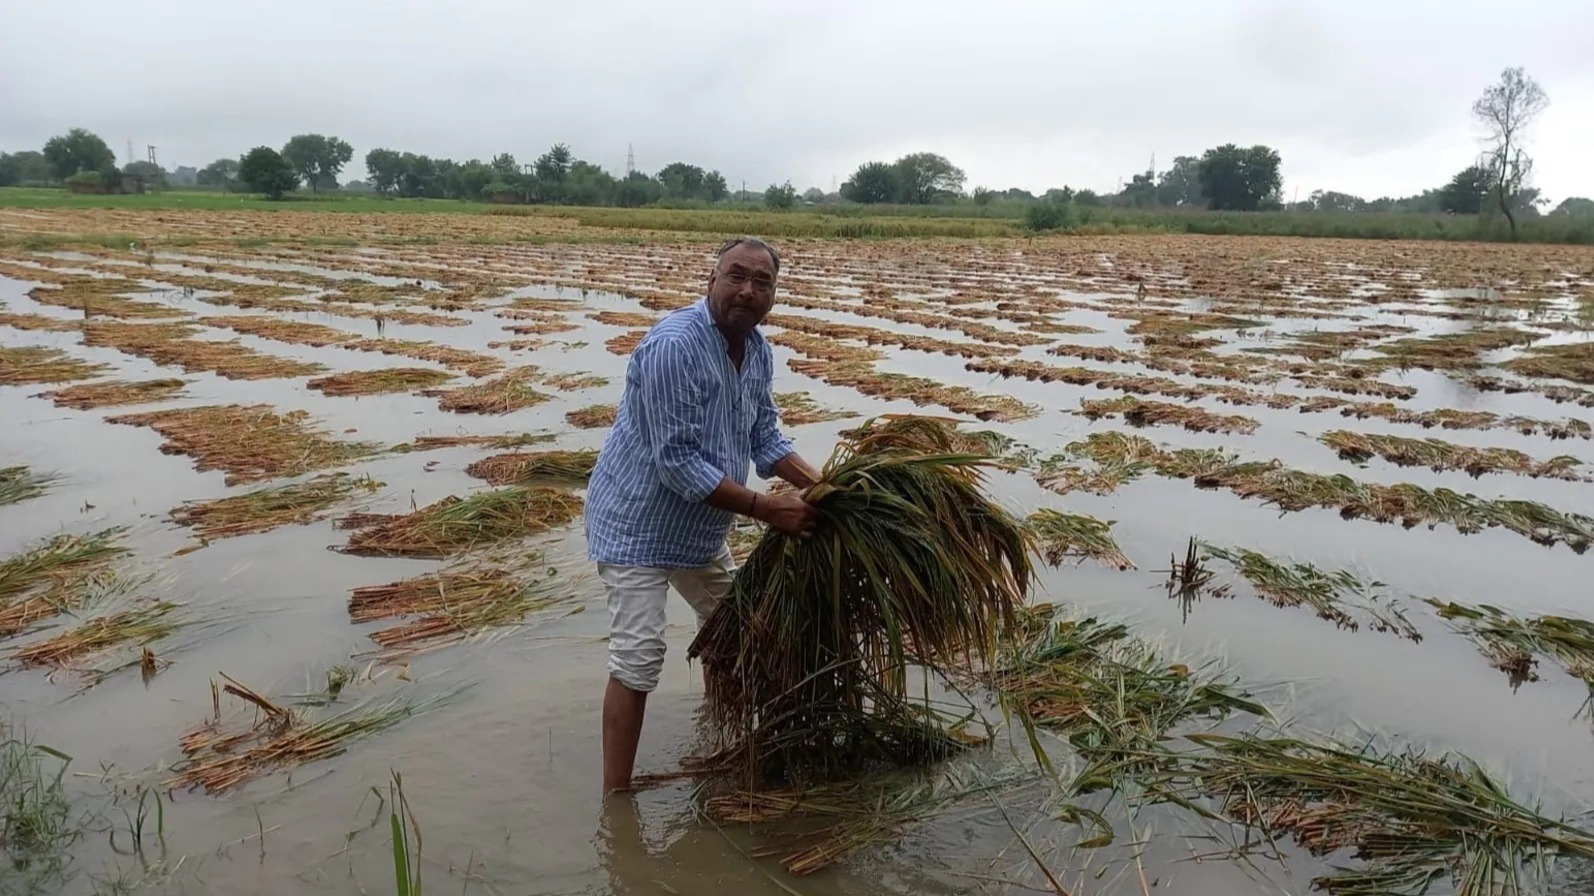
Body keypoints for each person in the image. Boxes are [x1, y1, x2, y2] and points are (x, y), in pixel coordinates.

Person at [583, 235, 822, 794]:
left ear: (773, 295)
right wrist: (768, 510)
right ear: (710, 280)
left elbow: (764, 436)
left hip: (699, 527)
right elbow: (678, 464)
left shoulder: (757, 349)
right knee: (639, 656)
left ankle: (723, 732)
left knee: (735, 630)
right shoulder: (675, 346)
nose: (748, 290)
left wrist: (825, 487)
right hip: (636, 522)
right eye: (736, 276)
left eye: (762, 283)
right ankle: (616, 799)